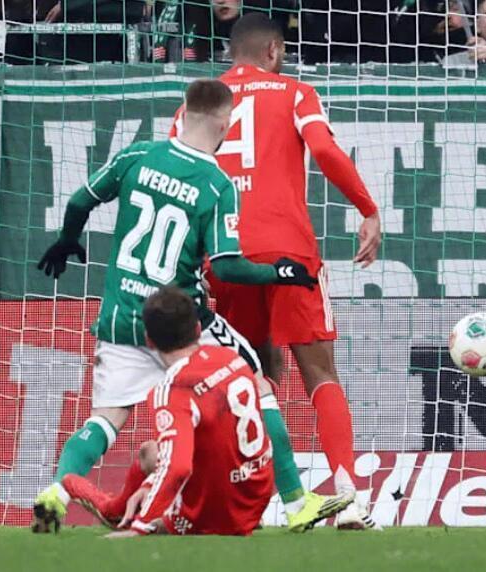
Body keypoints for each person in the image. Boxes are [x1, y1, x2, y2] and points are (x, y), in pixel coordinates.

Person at [31, 79, 351, 534]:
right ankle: (297, 503)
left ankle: (56, 493)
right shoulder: (217, 184)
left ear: (182, 113)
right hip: (184, 324)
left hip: (122, 316)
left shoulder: (136, 155)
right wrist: (278, 272)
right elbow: (228, 265)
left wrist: (67, 239)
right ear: (225, 124)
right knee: (258, 385)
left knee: (106, 419)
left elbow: (80, 200)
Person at [170, 13, 382, 529]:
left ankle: (262, 496)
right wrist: (367, 208)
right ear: (273, 50)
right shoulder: (294, 92)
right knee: (320, 373)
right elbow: (324, 149)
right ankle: (349, 496)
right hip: (289, 254)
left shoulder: (197, 105)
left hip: (226, 257)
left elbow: (176, 175)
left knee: (249, 378)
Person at [67, 287, 275, 536]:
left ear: (149, 341)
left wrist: (141, 526)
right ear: (198, 329)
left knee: (156, 458)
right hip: (258, 497)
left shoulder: (173, 389)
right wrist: (149, 485)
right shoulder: (232, 358)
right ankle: (127, 505)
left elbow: (178, 467)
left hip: (212, 514)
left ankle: (109, 507)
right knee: (151, 452)